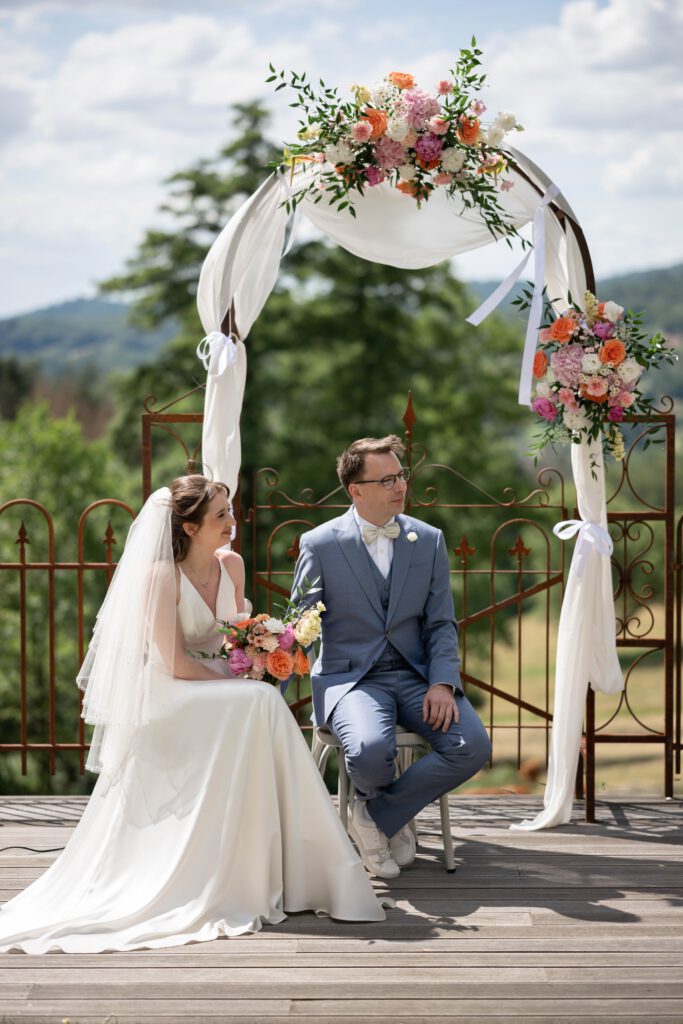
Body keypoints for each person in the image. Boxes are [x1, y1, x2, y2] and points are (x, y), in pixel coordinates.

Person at [0, 475, 386, 954]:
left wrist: (259, 650)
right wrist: (240, 678)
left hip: (216, 684)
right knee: (262, 701)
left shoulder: (233, 565)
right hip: (168, 690)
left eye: (230, 510)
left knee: (260, 702)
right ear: (188, 526)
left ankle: (292, 867)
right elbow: (176, 663)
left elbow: (233, 636)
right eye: (221, 515)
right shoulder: (162, 576)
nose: (233, 521)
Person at [292, 436, 491, 879]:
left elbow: (441, 622)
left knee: (472, 746)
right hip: (353, 679)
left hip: (418, 676)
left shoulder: (429, 539)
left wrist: (443, 682)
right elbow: (300, 622)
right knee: (368, 750)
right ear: (355, 490)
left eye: (400, 475)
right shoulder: (319, 544)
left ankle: (375, 817)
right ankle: (391, 820)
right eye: (385, 479)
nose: (399, 486)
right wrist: (274, 667)